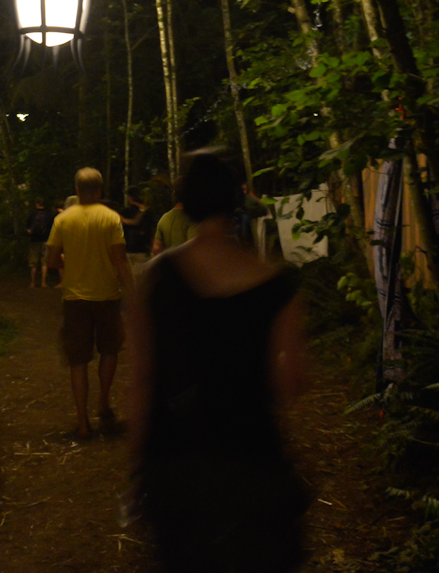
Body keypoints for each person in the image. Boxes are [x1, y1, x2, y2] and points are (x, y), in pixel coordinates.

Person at [127, 149, 307, 573]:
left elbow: (142, 380)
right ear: (234, 200)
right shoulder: (278, 282)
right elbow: (292, 383)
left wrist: (136, 467)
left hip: (177, 464)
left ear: (185, 202)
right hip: (253, 459)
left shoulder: (155, 277)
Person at [45, 167, 136, 438]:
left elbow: (51, 261)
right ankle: (103, 402)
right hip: (107, 296)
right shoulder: (110, 218)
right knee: (109, 351)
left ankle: (83, 422)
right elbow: (120, 259)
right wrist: (132, 291)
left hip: (74, 298)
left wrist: (71, 262)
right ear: (100, 191)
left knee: (78, 361)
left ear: (76, 190)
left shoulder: (62, 220)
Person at [26, 199, 55, 289]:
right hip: (45, 239)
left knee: (33, 262)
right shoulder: (48, 215)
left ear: (37, 204)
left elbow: (28, 227)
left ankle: (33, 283)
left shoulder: (32, 214)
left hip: (34, 240)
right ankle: (43, 283)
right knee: (44, 262)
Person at [121, 190, 153, 267]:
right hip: (142, 250)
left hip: (130, 249)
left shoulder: (126, 212)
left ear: (130, 198)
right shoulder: (146, 212)